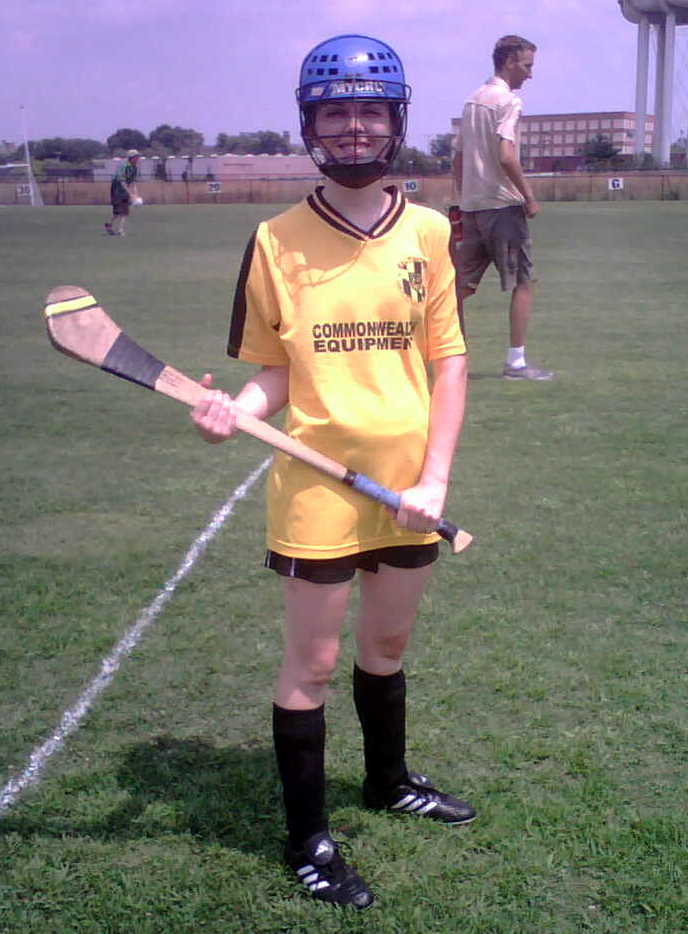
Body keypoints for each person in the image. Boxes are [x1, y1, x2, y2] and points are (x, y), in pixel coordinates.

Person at [192, 34, 474, 909]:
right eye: (335, 113)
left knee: (386, 649)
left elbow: (450, 361)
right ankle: (309, 838)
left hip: (406, 489)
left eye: (370, 111)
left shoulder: (430, 230)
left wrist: (435, 479)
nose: (353, 129)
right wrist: (238, 409)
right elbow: (273, 367)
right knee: (310, 664)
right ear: (312, 124)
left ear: (395, 122)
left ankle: (388, 782)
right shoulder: (274, 240)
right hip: (317, 488)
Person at [452, 35, 553, 380]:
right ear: (509, 61)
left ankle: (455, 363)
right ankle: (516, 363)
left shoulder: (471, 101)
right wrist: (529, 196)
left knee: (458, 289)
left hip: (471, 208)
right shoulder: (508, 102)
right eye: (527, 65)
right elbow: (506, 155)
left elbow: (458, 158)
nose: (530, 74)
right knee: (524, 282)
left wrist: (464, 196)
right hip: (503, 207)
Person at [105, 149, 141, 237]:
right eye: (136, 157)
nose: (138, 159)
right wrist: (130, 194)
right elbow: (122, 182)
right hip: (117, 187)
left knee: (124, 210)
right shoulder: (124, 166)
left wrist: (136, 194)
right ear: (131, 158)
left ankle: (116, 227)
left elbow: (133, 182)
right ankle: (114, 227)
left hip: (124, 188)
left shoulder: (135, 168)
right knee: (120, 210)